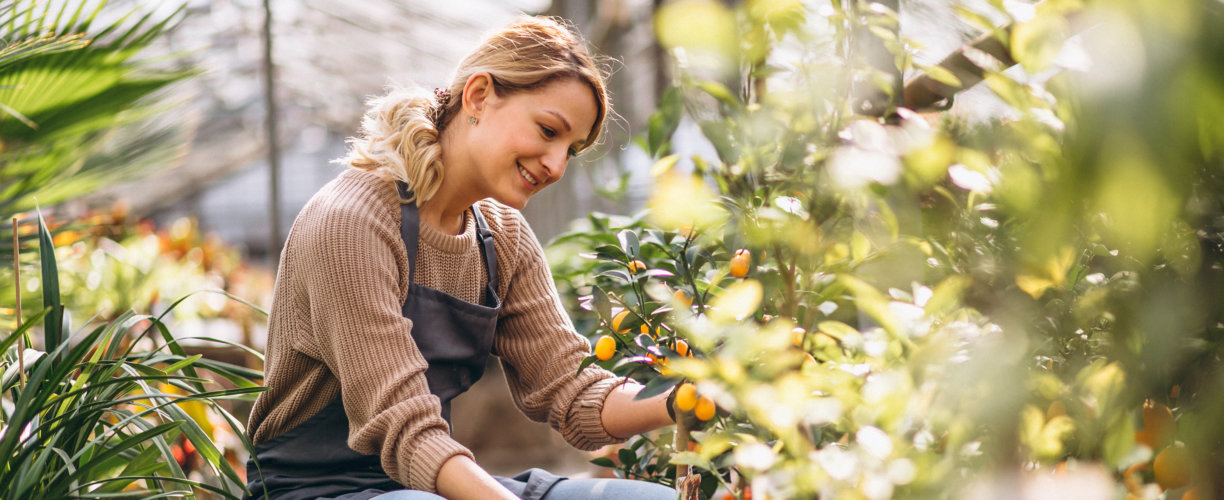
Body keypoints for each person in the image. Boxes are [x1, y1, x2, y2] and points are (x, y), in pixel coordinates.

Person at [243, 16, 679, 500]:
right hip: (317, 489)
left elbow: (571, 390)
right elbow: (407, 428)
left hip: (425, 481)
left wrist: (688, 397)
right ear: (478, 95)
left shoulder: (502, 234)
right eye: (547, 130)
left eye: (570, 150)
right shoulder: (352, 223)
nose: (556, 165)